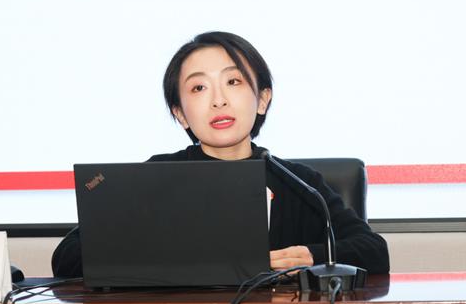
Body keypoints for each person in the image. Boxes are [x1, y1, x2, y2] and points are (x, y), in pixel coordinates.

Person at [52, 31, 389, 277]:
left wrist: (311, 255)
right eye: (199, 88)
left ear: (262, 99)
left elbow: (374, 251)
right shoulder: (156, 177)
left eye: (234, 82)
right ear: (181, 114)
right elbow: (68, 256)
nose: (218, 100)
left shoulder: (299, 183)